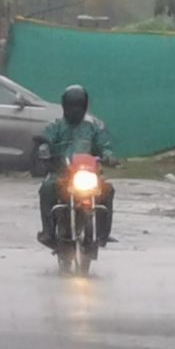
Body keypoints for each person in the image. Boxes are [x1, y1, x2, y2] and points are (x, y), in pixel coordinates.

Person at [37, 84, 117, 248]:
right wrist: (44, 150)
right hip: (62, 173)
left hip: (89, 172)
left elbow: (105, 145)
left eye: (78, 107)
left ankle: (103, 233)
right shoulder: (56, 125)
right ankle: (48, 232)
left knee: (108, 190)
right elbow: (45, 141)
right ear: (64, 106)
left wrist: (109, 156)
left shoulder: (95, 125)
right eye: (71, 106)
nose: (74, 110)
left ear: (85, 106)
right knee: (46, 189)